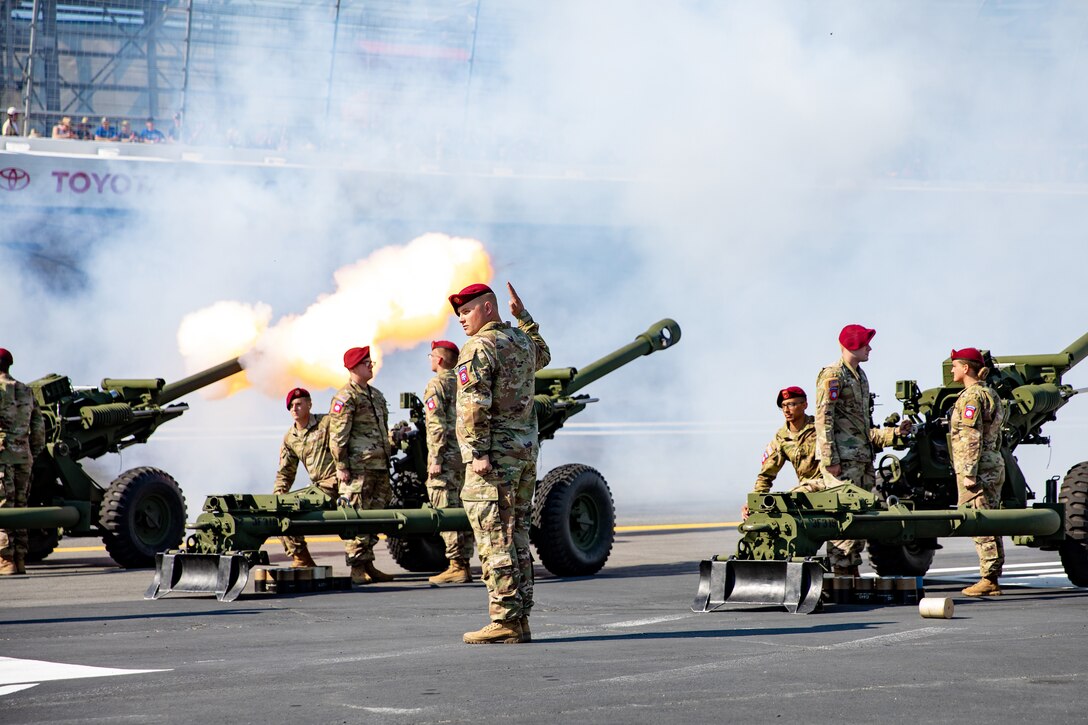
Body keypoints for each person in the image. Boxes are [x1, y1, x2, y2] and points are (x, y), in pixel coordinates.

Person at [452, 282, 550, 645]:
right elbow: (544, 353)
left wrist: (477, 452)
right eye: (459, 315)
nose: (462, 320)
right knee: (517, 536)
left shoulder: (479, 347)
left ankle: (504, 619)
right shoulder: (521, 342)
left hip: (493, 459)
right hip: (524, 455)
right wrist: (523, 317)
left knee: (494, 538)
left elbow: (472, 403)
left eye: (467, 312)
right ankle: (520, 617)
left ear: (488, 309)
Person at [814, 324, 911, 576]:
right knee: (843, 514)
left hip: (862, 458)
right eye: (866, 343)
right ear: (853, 344)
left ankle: (851, 570)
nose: (870, 348)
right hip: (843, 461)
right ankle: (842, 571)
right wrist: (829, 458)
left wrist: (893, 434)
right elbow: (824, 419)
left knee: (860, 516)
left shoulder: (860, 375)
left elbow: (861, 426)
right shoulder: (833, 375)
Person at [328, 346, 396, 585]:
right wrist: (341, 465)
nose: (371, 365)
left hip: (378, 466)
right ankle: (357, 568)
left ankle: (368, 564)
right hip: (357, 468)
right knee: (356, 516)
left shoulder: (375, 395)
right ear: (354, 367)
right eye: (366, 362)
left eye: (371, 362)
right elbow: (338, 436)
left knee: (373, 517)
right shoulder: (345, 397)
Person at [948, 347, 1007, 597]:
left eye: (954, 365)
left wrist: (969, 473)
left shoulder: (971, 397)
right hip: (991, 462)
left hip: (978, 467)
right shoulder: (988, 393)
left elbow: (971, 437)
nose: (951, 370)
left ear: (965, 368)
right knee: (989, 519)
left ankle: (989, 578)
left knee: (980, 520)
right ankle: (991, 575)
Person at [423, 340, 474, 585]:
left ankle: (456, 565)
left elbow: (436, 427)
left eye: (431, 355)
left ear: (439, 359)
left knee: (446, 510)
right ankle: (466, 562)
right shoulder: (463, 382)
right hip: (463, 458)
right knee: (464, 510)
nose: (430, 359)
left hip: (445, 460)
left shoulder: (437, 384)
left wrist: (435, 459)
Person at [273, 387, 341, 569]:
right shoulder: (290, 437)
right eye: (291, 406)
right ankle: (301, 558)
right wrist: (278, 495)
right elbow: (285, 472)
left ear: (309, 404)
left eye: (298, 404)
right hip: (319, 489)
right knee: (279, 509)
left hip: (338, 484)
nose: (294, 409)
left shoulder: (326, 423)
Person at [742, 387, 821, 520]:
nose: (786, 410)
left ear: (804, 405)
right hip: (807, 490)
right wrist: (752, 502)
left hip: (830, 484)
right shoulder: (781, 438)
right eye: (783, 406)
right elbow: (766, 475)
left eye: (791, 404)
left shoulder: (821, 427)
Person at [0, 348, 46, 575]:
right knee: (19, 508)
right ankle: (19, 559)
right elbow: (38, 429)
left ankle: (4, 560)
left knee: (2, 509)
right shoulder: (26, 390)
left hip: (2, 458)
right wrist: (31, 453)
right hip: (23, 457)